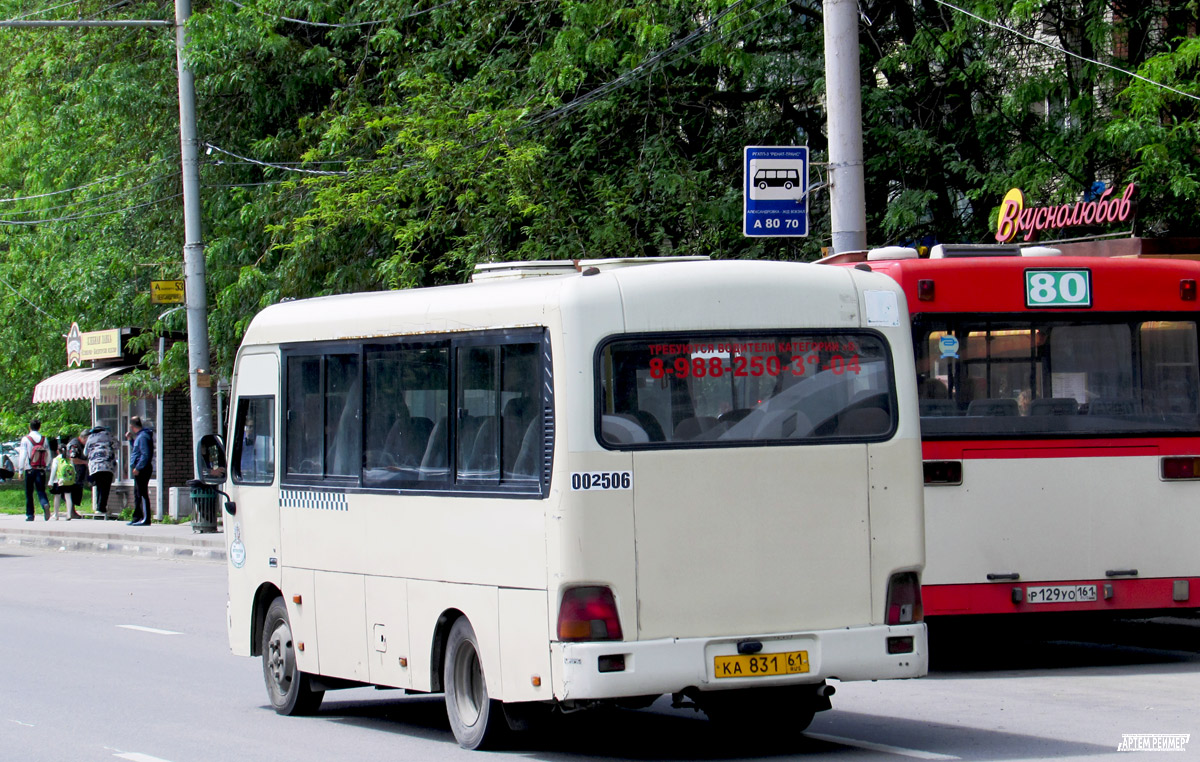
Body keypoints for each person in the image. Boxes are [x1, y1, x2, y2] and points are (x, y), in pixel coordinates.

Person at [19, 418, 51, 521]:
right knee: (41, 490)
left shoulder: (26, 439)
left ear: (30, 427)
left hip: (29, 469)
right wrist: (47, 466)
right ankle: (45, 503)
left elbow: (23, 455)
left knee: (29, 492)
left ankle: (30, 515)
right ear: (39, 427)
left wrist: (20, 470)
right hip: (41, 469)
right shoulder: (44, 439)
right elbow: (48, 455)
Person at [84, 425, 117, 519]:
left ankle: (99, 508)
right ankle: (101, 508)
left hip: (95, 467)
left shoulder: (90, 438)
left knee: (99, 486)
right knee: (105, 487)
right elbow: (117, 446)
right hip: (107, 465)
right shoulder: (109, 436)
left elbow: (85, 453)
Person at [127, 416, 154, 526]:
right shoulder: (140, 437)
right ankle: (137, 517)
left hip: (143, 469)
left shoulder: (143, 437)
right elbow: (137, 449)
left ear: (132, 426)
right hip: (139, 468)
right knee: (137, 493)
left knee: (142, 493)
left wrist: (138, 468)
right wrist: (130, 441)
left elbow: (145, 454)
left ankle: (146, 519)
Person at [48, 443, 78, 520]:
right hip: (68, 481)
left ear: (58, 451)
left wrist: (50, 481)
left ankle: (56, 514)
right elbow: (74, 470)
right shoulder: (69, 459)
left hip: (58, 481)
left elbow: (54, 470)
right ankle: (69, 514)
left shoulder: (56, 459)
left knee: (57, 497)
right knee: (68, 497)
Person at [66, 429, 89, 517]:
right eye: (87, 440)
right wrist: (85, 462)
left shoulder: (81, 444)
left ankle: (72, 511)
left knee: (77, 490)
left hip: (78, 472)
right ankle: (72, 511)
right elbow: (73, 459)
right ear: (83, 438)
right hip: (73, 472)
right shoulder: (75, 445)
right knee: (74, 490)